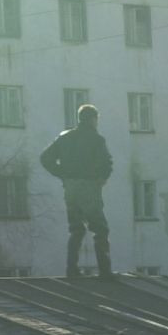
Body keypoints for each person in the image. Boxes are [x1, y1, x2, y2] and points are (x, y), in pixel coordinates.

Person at [38, 104, 115, 278]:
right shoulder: (96, 139)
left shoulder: (65, 137)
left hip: (70, 188)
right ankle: (105, 271)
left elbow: (45, 158)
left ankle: (71, 269)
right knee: (100, 229)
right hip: (88, 187)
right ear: (93, 119)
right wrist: (102, 178)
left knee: (76, 229)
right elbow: (106, 163)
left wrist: (62, 175)